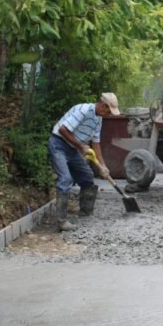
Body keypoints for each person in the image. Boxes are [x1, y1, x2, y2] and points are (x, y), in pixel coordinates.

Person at [48, 93, 120, 230]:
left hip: (73, 148)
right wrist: (81, 146)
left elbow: (96, 144)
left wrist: (103, 166)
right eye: (109, 111)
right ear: (103, 106)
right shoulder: (84, 110)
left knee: (87, 177)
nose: (109, 115)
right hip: (59, 145)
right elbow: (63, 129)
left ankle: (85, 211)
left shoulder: (99, 119)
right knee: (65, 179)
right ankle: (61, 221)